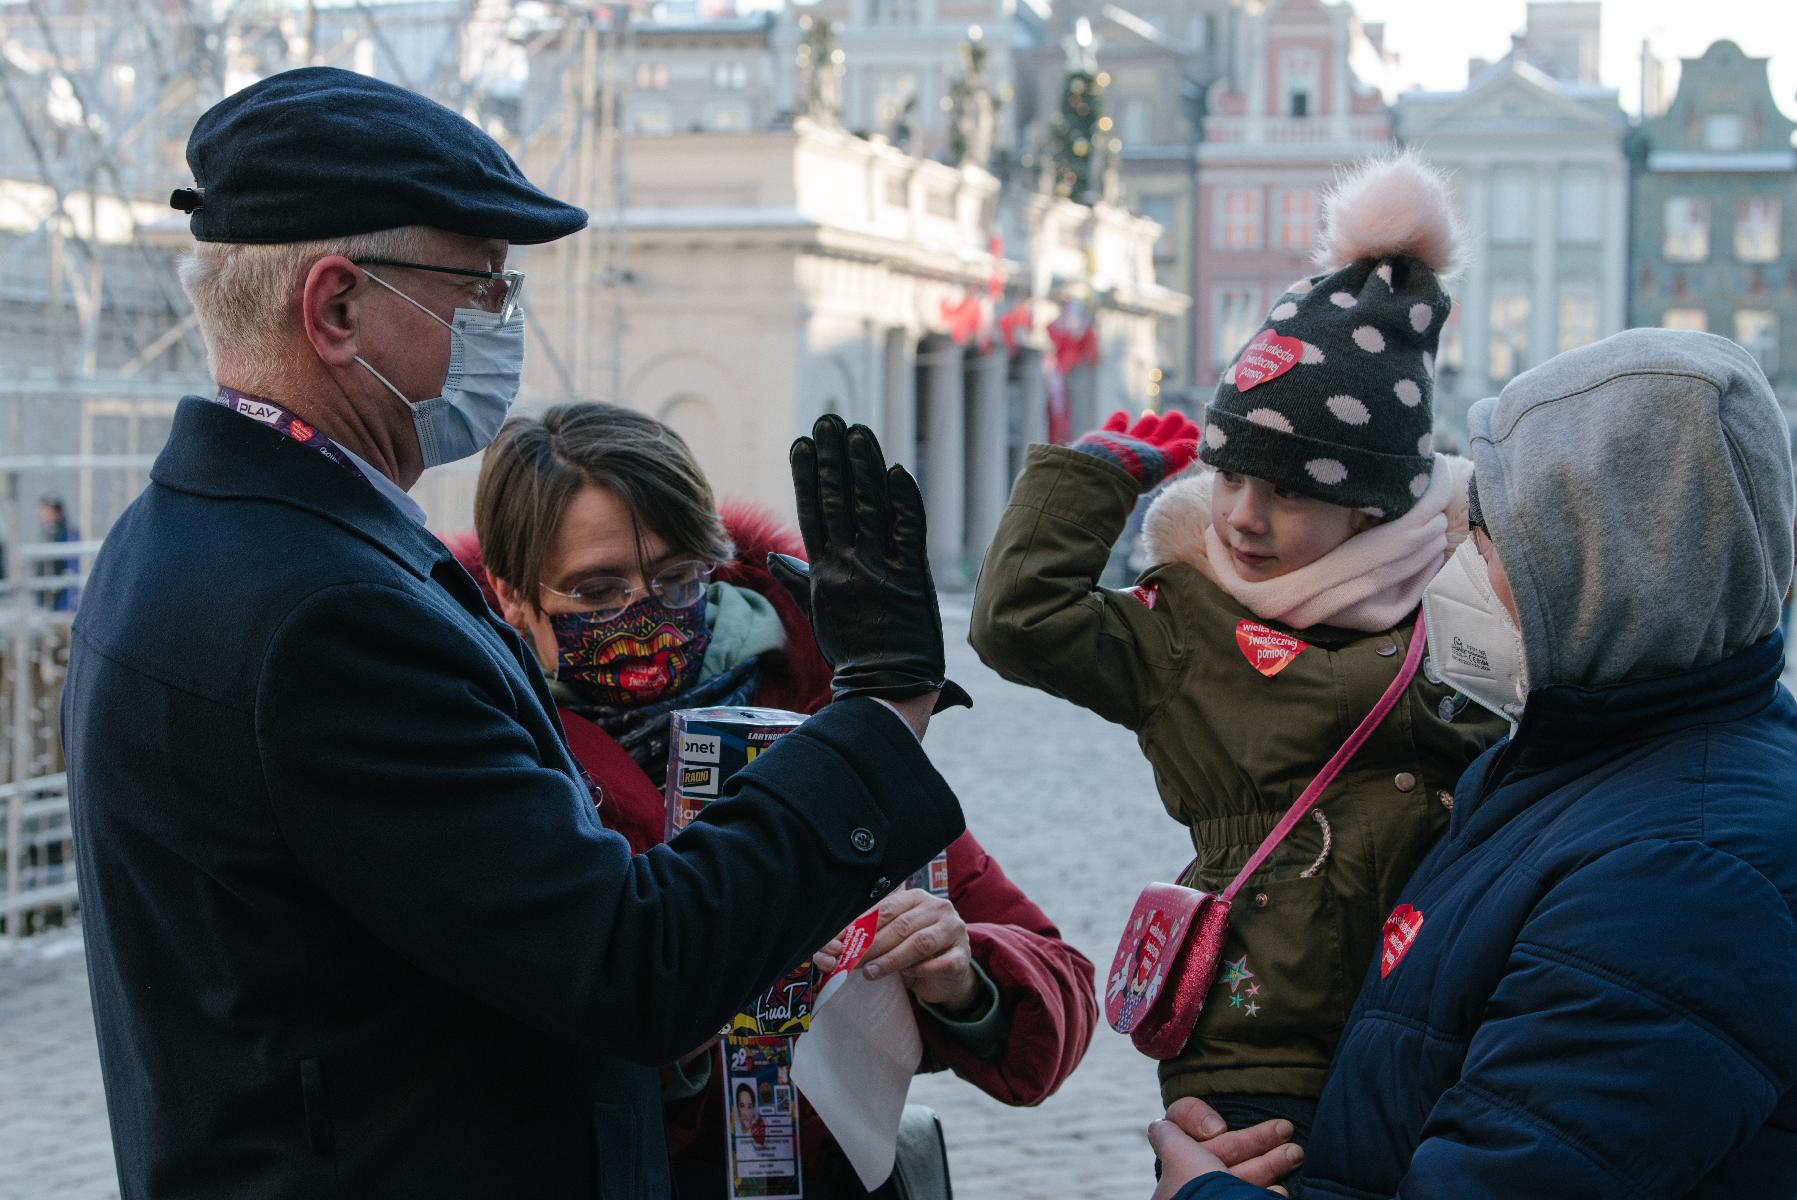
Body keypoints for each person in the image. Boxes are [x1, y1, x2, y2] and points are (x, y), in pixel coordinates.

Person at [62, 67, 969, 1200]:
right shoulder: (328, 613)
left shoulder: (189, 532)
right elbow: (634, 963)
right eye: (481, 289)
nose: (505, 322)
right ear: (336, 308)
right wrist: (879, 711)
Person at [1150, 327, 1797, 1197]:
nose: (1454, 564)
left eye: (1486, 537)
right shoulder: (1566, 767)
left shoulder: (1682, 872)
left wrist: (1205, 1196)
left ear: (1595, 575)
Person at [969, 153, 1508, 1152]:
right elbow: (1018, 623)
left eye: (1292, 492)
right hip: (1252, 1051)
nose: (1245, 518)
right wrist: (1089, 485)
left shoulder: (1461, 604)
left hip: (1434, 1034)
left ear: (1370, 504)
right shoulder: (1187, 620)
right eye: (1230, 476)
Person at [454, 403, 1098, 1199]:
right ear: (514, 596)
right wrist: (679, 1021)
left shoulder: (815, 716)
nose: (646, 614)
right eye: (598, 591)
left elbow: (1056, 991)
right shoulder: (480, 752)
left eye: (677, 576)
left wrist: (964, 976)